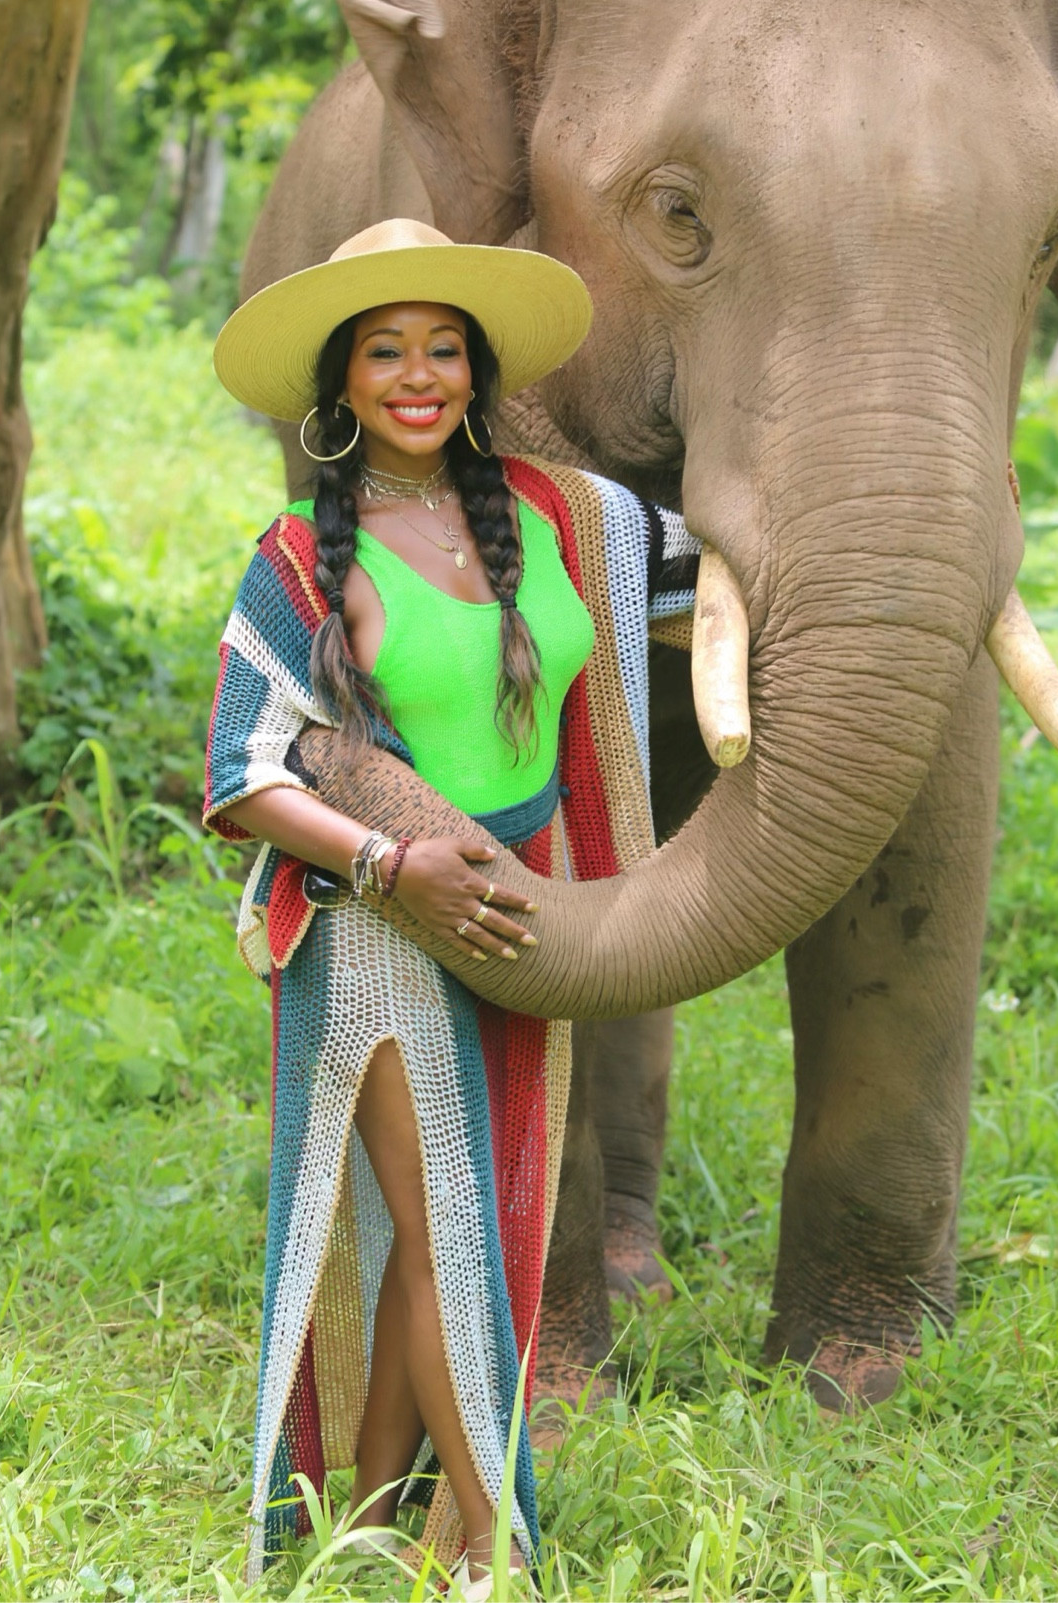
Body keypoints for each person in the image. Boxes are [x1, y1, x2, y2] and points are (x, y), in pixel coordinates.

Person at [205, 219, 700, 1595]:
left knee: (461, 1223)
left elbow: (723, 570)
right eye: (384, 353)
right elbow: (241, 771)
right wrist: (386, 865)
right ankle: (486, 1551)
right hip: (375, 922)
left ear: (476, 374)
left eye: (441, 350)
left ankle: (368, 1511)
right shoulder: (298, 555)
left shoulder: (563, 516)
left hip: (523, 916)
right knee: (445, 1228)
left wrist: (918, 505)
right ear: (341, 383)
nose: (416, 376)